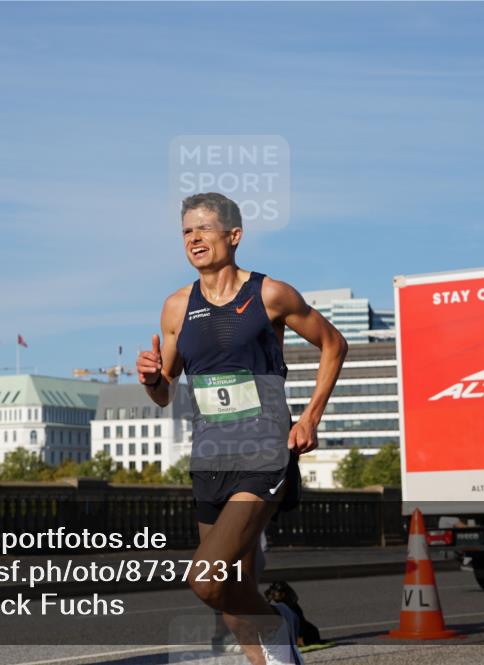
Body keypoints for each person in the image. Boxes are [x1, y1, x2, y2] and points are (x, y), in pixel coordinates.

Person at [136, 193, 347, 665]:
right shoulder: (176, 307)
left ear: (234, 236)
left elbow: (334, 344)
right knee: (233, 601)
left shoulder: (270, 294)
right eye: (187, 231)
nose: (194, 238)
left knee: (205, 579)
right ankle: (281, 635)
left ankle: (279, 621)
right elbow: (166, 390)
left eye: (204, 229)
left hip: (263, 453)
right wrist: (152, 378)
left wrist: (311, 416)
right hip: (209, 457)